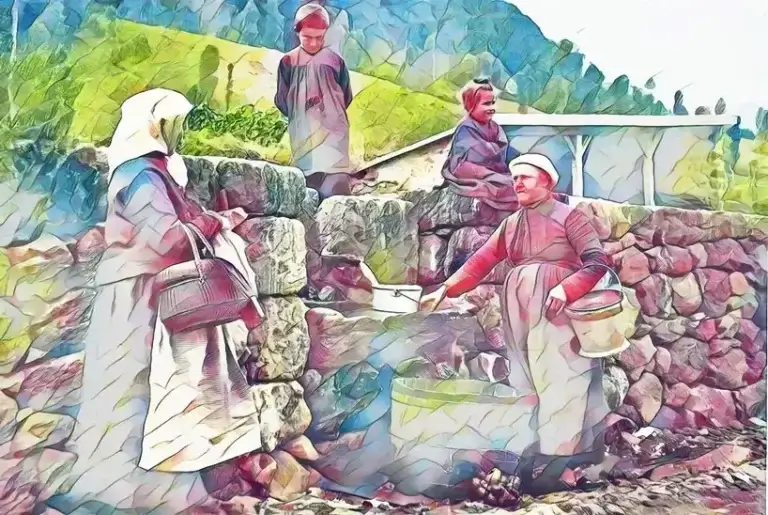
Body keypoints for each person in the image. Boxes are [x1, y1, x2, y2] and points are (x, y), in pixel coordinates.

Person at [52, 89, 265, 514]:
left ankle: (151, 496)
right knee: (133, 390)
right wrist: (214, 222)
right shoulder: (141, 176)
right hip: (135, 297)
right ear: (152, 126)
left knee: (149, 395)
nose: (177, 132)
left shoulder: (155, 172)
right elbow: (168, 239)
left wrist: (208, 220)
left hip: (148, 292)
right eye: (171, 124)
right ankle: (119, 493)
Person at [421, 153, 611, 495]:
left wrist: (566, 288)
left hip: (557, 312)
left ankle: (562, 466)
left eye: (526, 177)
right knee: (526, 381)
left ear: (547, 182)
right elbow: (482, 261)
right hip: (520, 310)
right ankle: (533, 461)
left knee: (563, 380)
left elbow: (597, 262)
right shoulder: (512, 223)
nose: (517, 183)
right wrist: (446, 289)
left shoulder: (570, 218)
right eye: (515, 178)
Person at [275, 3, 357, 199]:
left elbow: (346, 94)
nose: (313, 43)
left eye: (319, 38)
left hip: (333, 132)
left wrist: (331, 113)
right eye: (307, 37)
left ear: (325, 33)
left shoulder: (335, 61)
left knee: (336, 184)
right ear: (297, 33)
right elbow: (282, 99)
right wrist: (301, 114)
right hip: (304, 133)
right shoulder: (288, 62)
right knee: (308, 183)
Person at [440, 78, 520, 211]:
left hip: (492, 171)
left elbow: (504, 151)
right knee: (506, 186)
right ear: (471, 105)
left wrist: (520, 161)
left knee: (523, 181)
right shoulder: (466, 128)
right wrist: (495, 175)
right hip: (468, 173)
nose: (492, 108)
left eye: (493, 103)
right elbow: (471, 160)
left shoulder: (494, 127)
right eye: (486, 104)